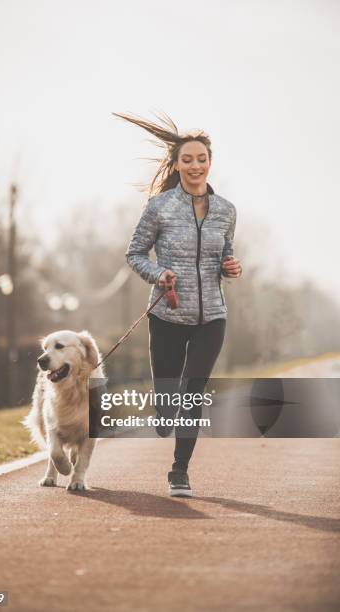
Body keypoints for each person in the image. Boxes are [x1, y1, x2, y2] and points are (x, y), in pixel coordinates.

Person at [114, 111, 242, 497]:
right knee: (169, 399)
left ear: (209, 163)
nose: (195, 165)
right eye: (187, 159)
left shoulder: (226, 211)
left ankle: (179, 470)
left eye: (201, 159)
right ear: (176, 164)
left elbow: (226, 254)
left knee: (193, 391)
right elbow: (135, 254)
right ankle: (163, 410)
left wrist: (230, 266)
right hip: (168, 313)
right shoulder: (159, 207)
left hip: (212, 317)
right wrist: (159, 274)